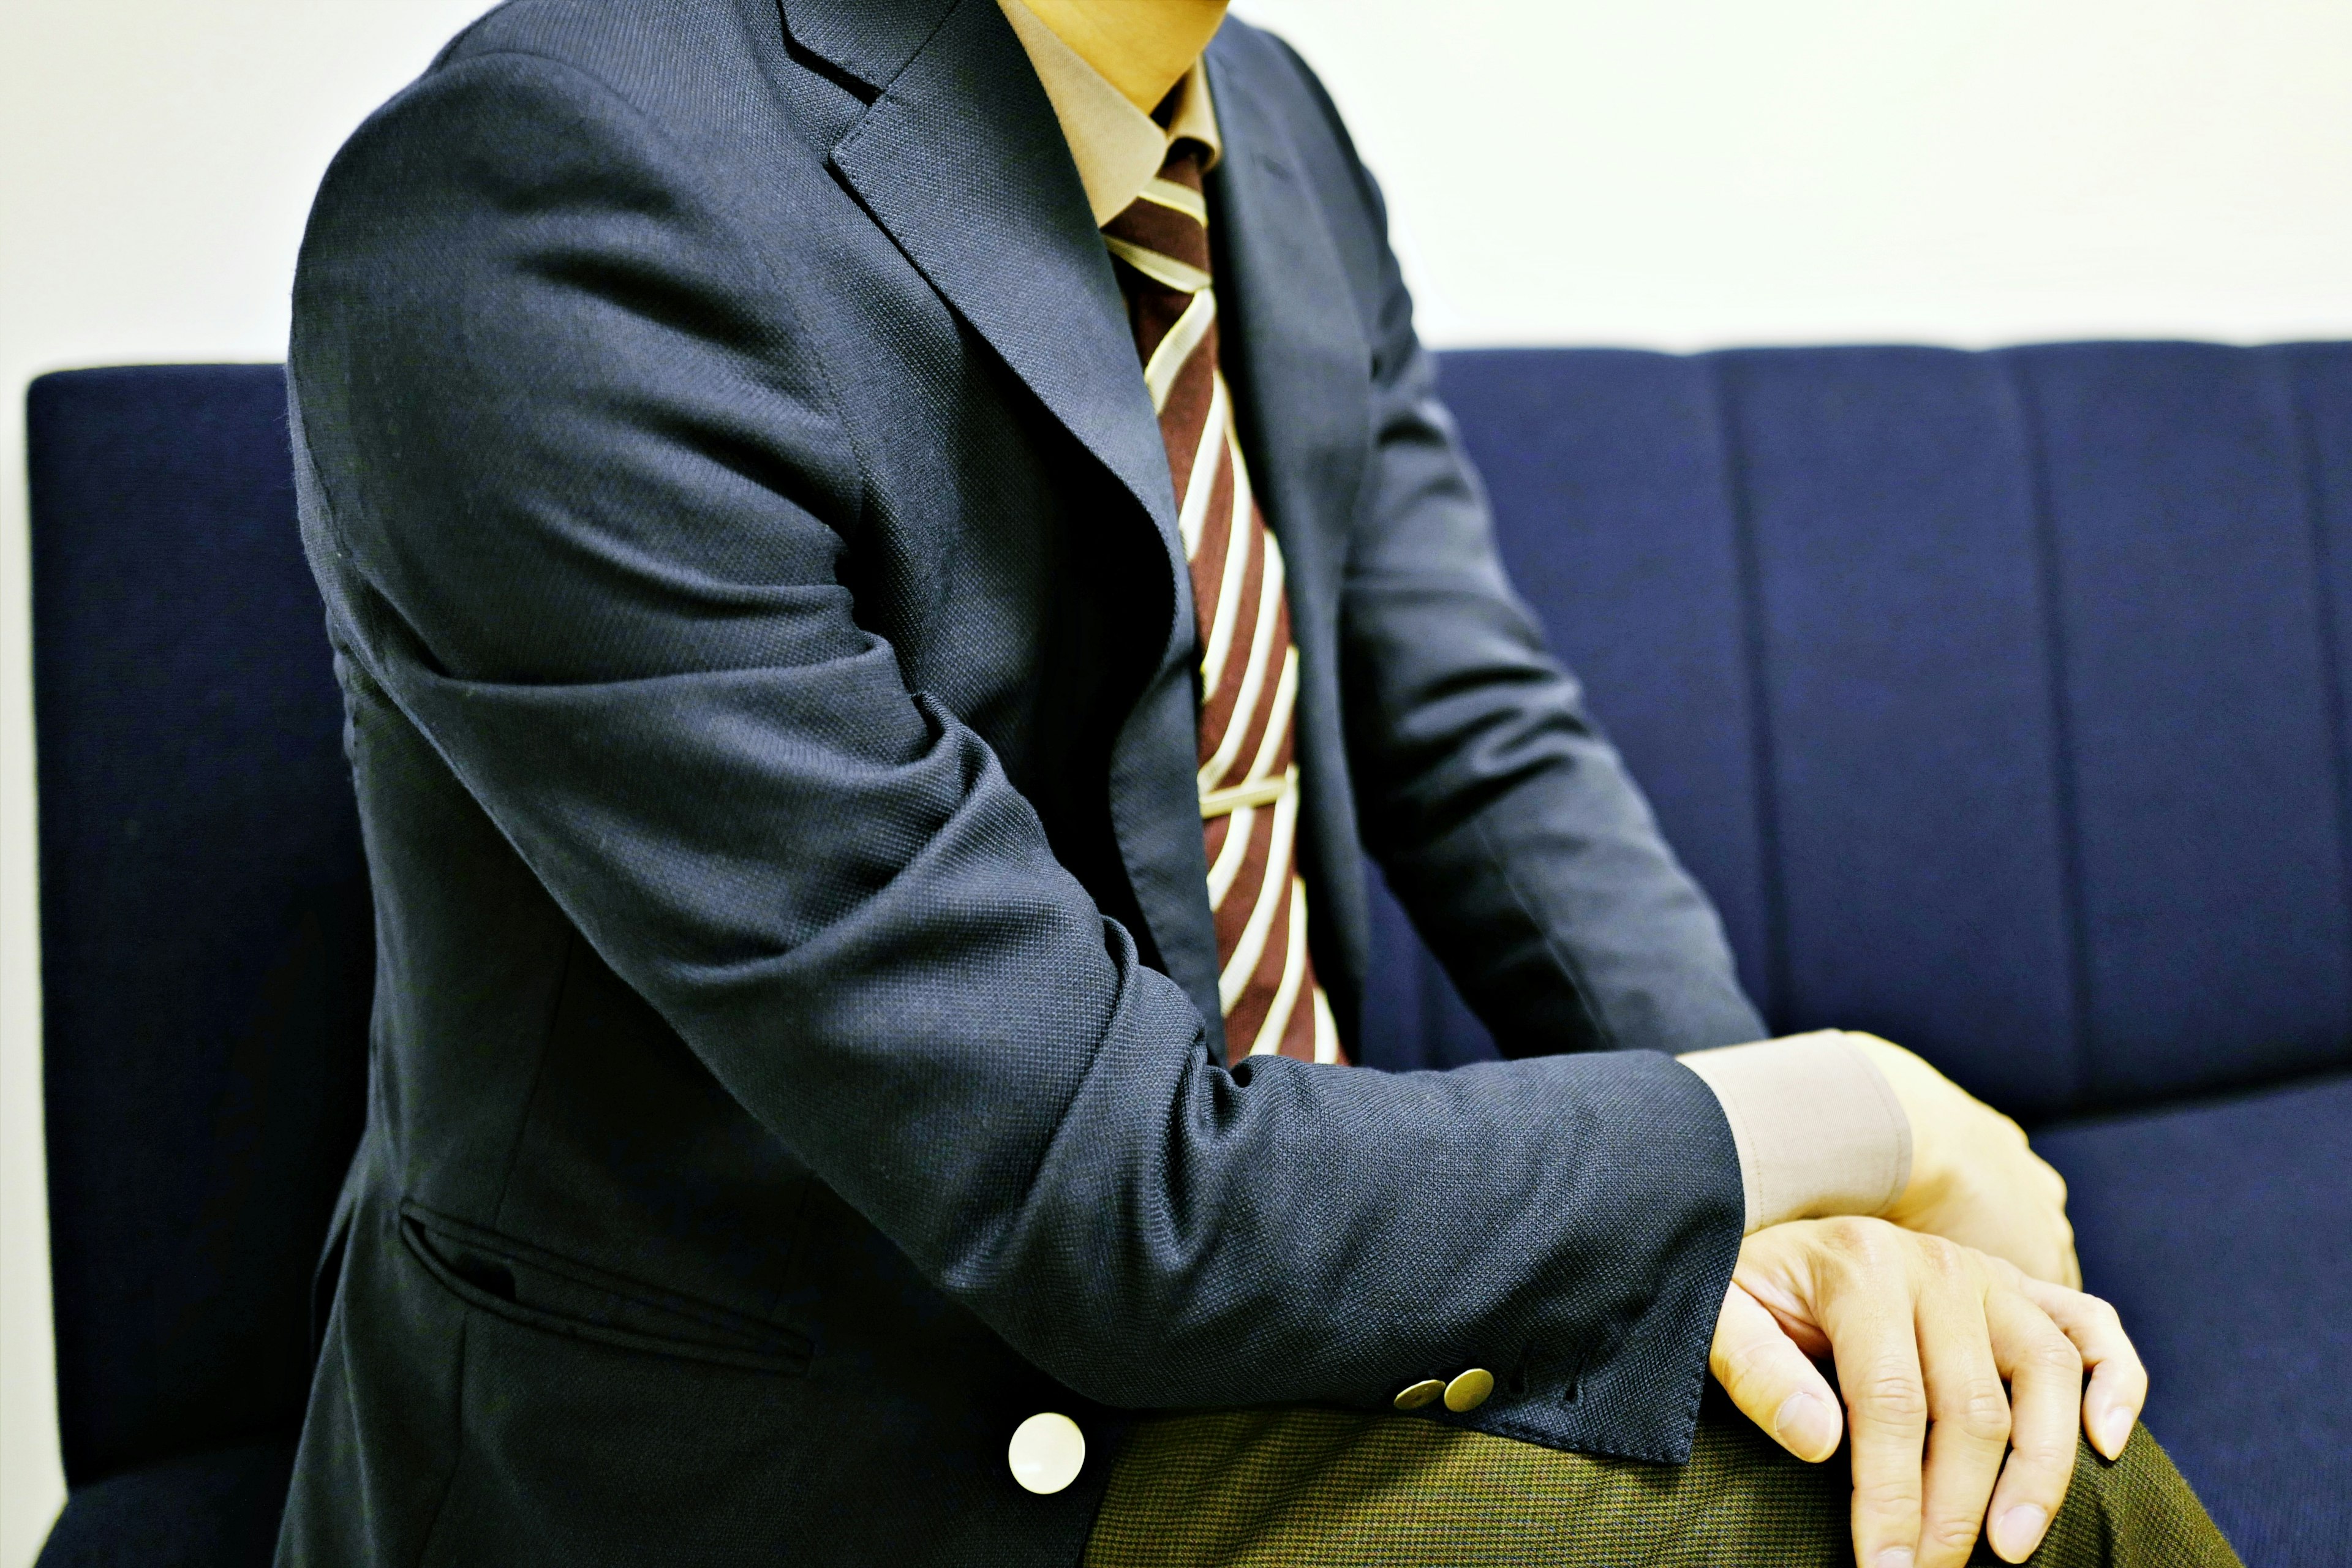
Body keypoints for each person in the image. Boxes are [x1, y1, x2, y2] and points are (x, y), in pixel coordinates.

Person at [277, 0, 2237, 1562]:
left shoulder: (1269, 129)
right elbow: (1108, 1196)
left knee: (1996, 1445)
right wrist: (1852, 1113)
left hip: (1298, 1289)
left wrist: (1787, 1234)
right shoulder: (544, 198)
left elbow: (1485, 753)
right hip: (842, 1457)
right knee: (2011, 1514)